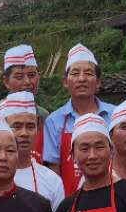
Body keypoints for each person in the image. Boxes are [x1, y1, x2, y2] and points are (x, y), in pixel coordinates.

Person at [42, 43, 115, 197]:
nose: (82, 79)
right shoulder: (54, 121)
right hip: (71, 200)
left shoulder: (115, 115)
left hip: (114, 197)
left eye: (88, 73)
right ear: (65, 82)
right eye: (75, 73)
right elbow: (54, 170)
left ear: (98, 82)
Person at [0, 92, 64, 207]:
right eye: (17, 126)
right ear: (3, 127)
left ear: (37, 129)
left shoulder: (52, 181)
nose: (24, 133)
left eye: (30, 127)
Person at [0, 45, 48, 151]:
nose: (27, 82)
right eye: (19, 77)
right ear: (6, 81)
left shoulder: (44, 116)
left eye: (32, 75)